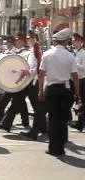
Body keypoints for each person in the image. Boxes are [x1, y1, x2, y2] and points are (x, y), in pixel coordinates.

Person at [39, 28, 80, 157]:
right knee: (62, 120)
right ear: (66, 41)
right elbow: (75, 76)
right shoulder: (70, 55)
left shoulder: (47, 54)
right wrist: (77, 93)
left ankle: (52, 148)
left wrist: (40, 90)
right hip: (65, 89)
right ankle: (61, 148)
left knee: (52, 119)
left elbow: (41, 74)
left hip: (51, 89)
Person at [69, 33, 85, 132]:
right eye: (73, 40)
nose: (73, 42)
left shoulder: (83, 53)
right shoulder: (73, 52)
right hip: (72, 80)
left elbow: (83, 68)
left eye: (75, 40)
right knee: (69, 100)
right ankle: (69, 120)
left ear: (81, 42)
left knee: (82, 102)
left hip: (81, 80)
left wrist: (74, 64)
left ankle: (79, 123)